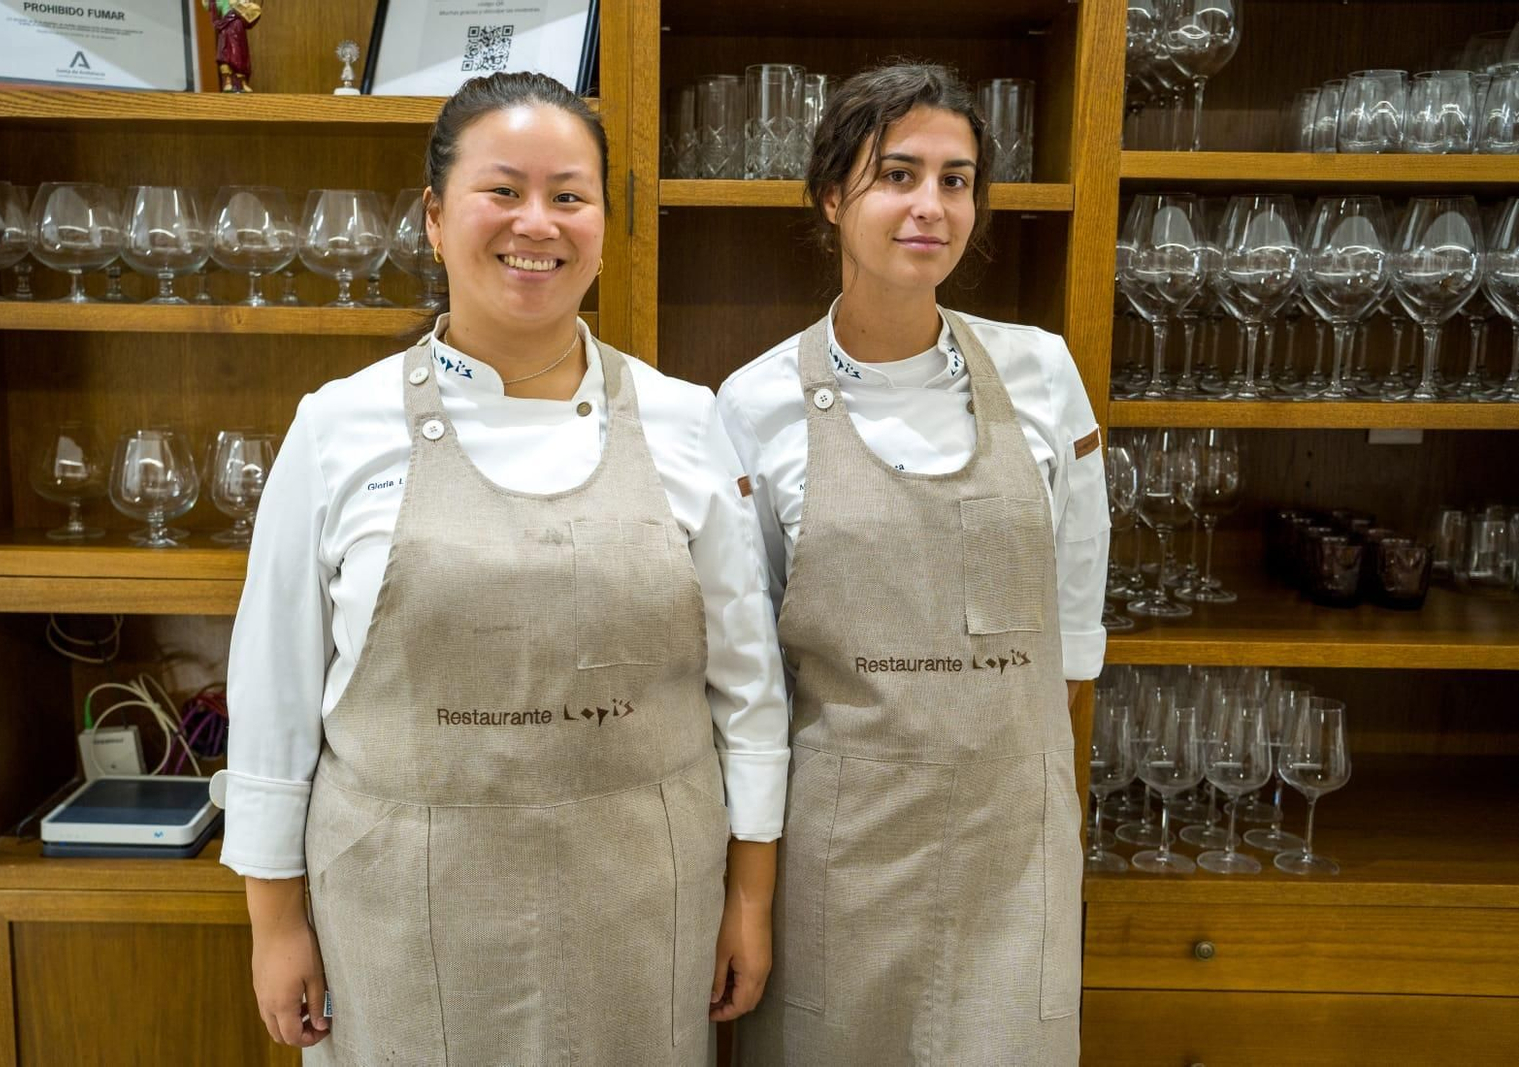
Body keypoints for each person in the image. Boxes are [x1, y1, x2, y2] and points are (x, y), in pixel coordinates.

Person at [211, 72, 788, 1063]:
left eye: (569, 195)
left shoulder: (686, 421)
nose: (538, 223)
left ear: (603, 223)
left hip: (643, 906)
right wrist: (275, 920)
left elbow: (748, 686)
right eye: (503, 191)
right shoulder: (339, 426)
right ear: (435, 219)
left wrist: (749, 895)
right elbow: (274, 694)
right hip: (402, 913)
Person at [718, 62, 1108, 1066]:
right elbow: (750, 670)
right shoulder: (753, 405)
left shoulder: (1042, 373)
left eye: (955, 179)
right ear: (830, 196)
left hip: (1012, 851)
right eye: (897, 175)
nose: (930, 204)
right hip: (839, 853)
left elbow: (1072, 635)